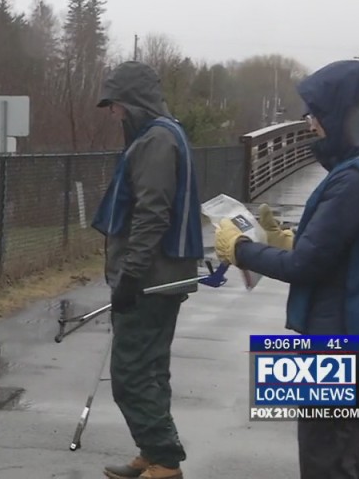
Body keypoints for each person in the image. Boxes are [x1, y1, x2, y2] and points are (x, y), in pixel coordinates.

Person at [214, 59, 359, 479]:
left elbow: (305, 266)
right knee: (346, 454)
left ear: (340, 113)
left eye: (316, 113)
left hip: (336, 339)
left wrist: (241, 249)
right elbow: (349, 247)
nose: (310, 123)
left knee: (327, 461)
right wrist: (286, 238)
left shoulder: (352, 179)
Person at [90, 61, 204, 479]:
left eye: (115, 105)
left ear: (133, 103)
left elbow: (152, 215)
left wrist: (130, 276)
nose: (113, 114)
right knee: (152, 368)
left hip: (151, 279)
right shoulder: (166, 133)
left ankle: (164, 458)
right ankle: (153, 451)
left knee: (131, 372)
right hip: (163, 277)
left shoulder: (155, 141)